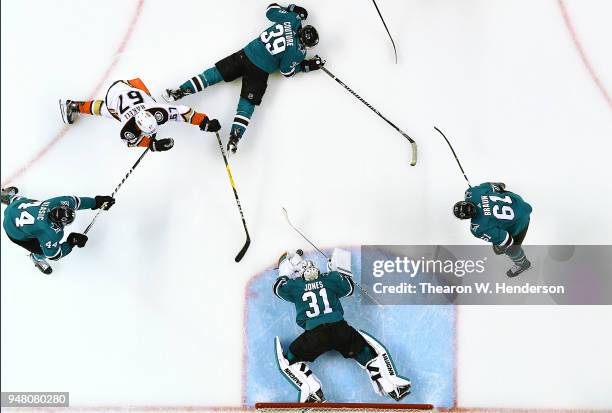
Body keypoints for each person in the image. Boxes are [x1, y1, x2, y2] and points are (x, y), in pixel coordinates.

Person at [163, 3, 324, 154]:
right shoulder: (298, 52)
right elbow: (286, 72)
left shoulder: (292, 18)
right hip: (259, 72)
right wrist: (307, 65)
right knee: (246, 105)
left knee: (213, 74)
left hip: (245, 54)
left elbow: (270, 9)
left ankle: (179, 91)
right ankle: (235, 137)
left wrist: (293, 8)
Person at [273, 250, 411, 402]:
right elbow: (349, 288)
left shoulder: (296, 285)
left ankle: (313, 391)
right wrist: (336, 271)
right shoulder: (329, 279)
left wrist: (284, 272)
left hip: (314, 335)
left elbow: (279, 289)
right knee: (365, 351)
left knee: (291, 360)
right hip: (340, 330)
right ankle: (391, 384)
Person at [59, 78, 221, 152]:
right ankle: (76, 106)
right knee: (107, 110)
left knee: (146, 99)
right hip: (116, 94)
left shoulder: (159, 111)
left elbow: (183, 112)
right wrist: (152, 145)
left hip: (130, 87)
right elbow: (132, 142)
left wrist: (204, 122)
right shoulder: (127, 128)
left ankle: (74, 105)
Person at [1, 187, 114, 274]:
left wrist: (96, 202)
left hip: (16, 207)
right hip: (13, 230)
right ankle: (36, 259)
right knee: (41, 251)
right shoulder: (49, 233)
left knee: (26, 205)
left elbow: (76, 202)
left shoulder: (55, 203)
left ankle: (10, 198)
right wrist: (71, 242)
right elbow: (54, 255)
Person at [453, 182, 533, 277]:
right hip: (518, 201)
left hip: (521, 222)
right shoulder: (472, 192)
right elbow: (495, 186)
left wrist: (501, 246)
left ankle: (523, 263)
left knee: (500, 249)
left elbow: (507, 241)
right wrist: (498, 188)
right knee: (499, 191)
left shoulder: (478, 228)